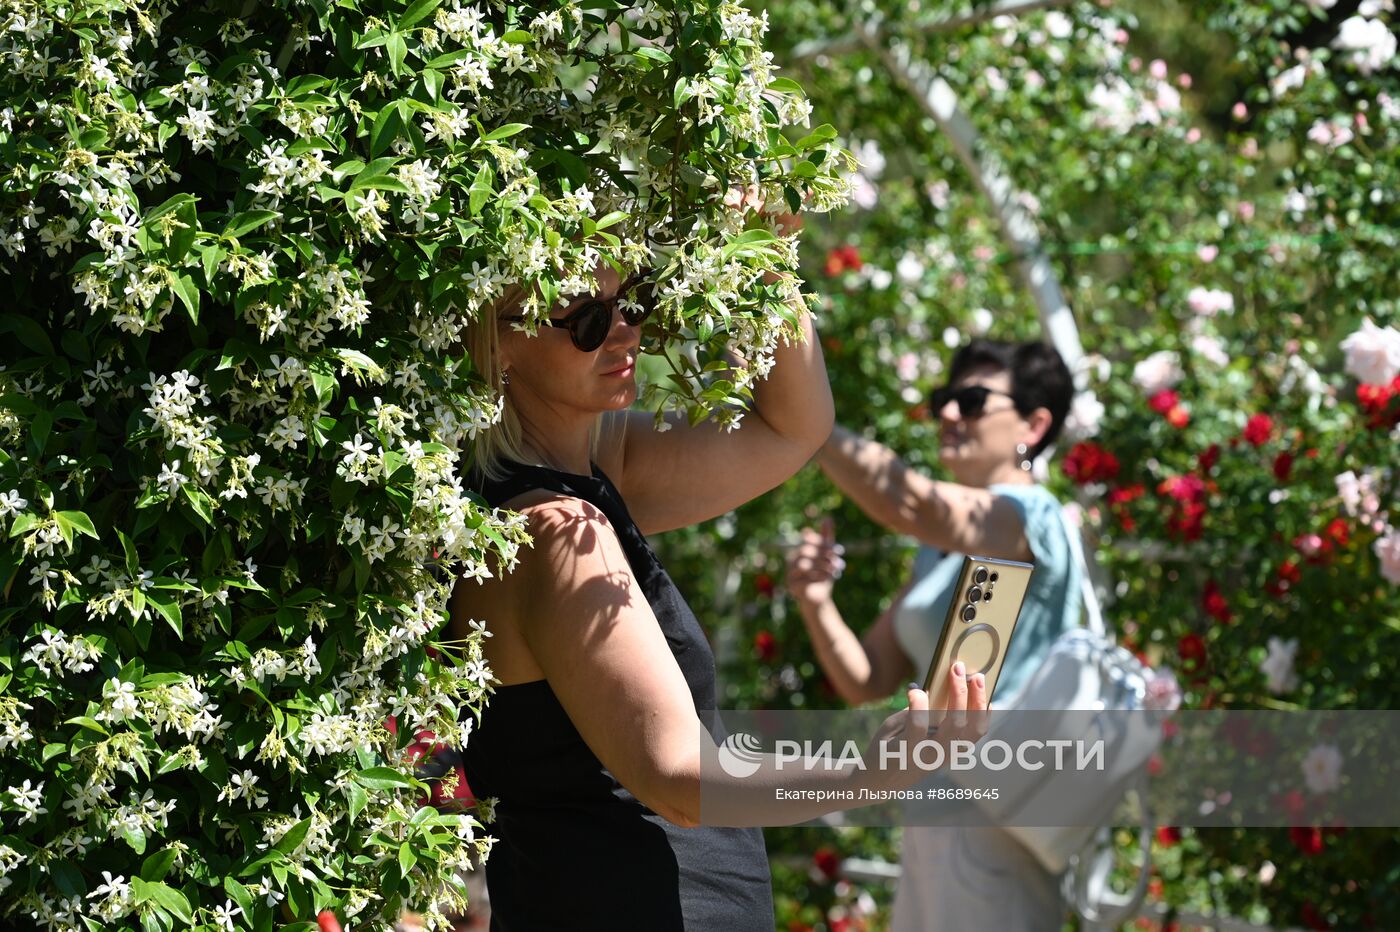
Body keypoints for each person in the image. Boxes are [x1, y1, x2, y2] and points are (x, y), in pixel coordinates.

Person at [447, 219, 989, 930]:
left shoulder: (591, 475)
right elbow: (677, 775)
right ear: (498, 340)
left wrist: (762, 250)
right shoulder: (557, 530)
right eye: (585, 318)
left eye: (632, 303)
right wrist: (870, 772)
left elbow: (795, 428)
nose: (624, 333)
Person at [786, 338, 1080, 931]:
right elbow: (865, 677)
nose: (947, 414)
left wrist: (806, 426)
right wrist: (815, 602)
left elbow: (916, 504)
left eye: (971, 400)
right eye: (945, 398)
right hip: (934, 810)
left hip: (998, 821)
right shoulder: (941, 548)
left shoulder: (1034, 516)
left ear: (1034, 422)